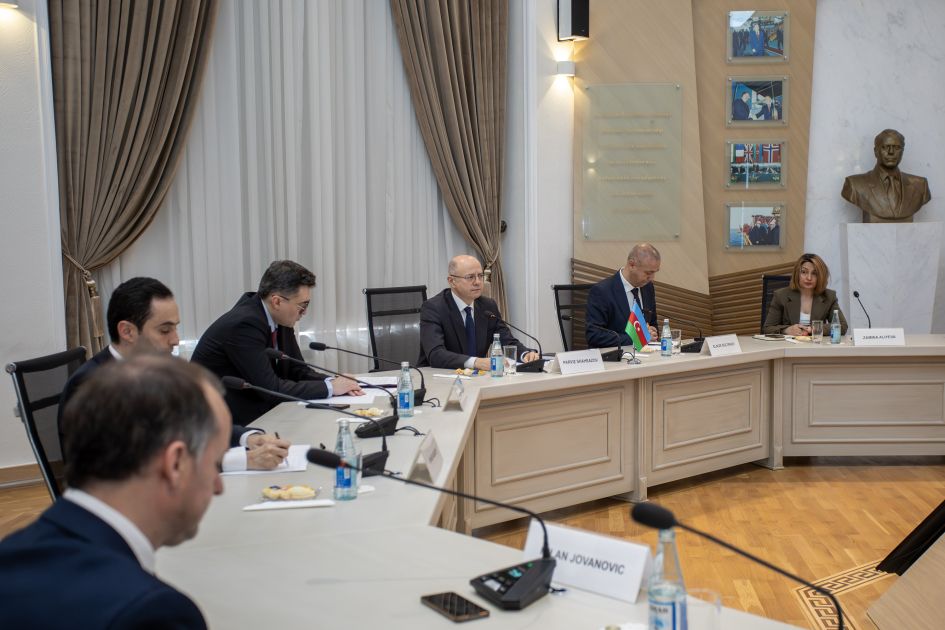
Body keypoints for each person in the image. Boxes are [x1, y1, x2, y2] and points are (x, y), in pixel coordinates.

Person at [0, 356, 230, 628]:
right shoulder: (152, 612)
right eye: (215, 464)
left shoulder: (11, 555)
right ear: (175, 464)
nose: (218, 486)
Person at [59, 277, 288, 472]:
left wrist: (248, 438)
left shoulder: (154, 371)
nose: (176, 340)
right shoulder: (91, 385)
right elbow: (135, 465)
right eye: (165, 330)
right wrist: (242, 461)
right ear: (127, 331)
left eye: (175, 328)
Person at [192, 260, 363, 425]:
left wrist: (334, 381)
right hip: (220, 422)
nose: (304, 312)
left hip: (259, 411)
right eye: (302, 305)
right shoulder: (244, 324)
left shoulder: (278, 317)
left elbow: (297, 370)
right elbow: (271, 389)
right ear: (277, 302)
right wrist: (330, 388)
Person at [418, 255, 539, 369]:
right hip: (438, 377)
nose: (477, 282)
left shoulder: (487, 306)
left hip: (477, 377)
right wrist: (476, 362)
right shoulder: (434, 308)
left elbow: (506, 340)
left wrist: (525, 354)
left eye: (480, 276)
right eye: (470, 277)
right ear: (452, 281)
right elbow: (436, 354)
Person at [841, 129, 932, 223]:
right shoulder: (854, 185)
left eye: (897, 147)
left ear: (903, 151)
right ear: (876, 151)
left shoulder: (920, 185)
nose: (891, 152)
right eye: (885, 147)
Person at [585, 243, 660, 348]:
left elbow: (652, 323)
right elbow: (594, 335)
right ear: (632, 265)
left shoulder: (648, 287)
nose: (652, 278)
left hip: (646, 354)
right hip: (616, 355)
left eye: (655, 272)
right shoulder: (602, 291)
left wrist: (653, 332)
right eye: (648, 273)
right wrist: (636, 339)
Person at [764, 253, 848, 336]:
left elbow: (842, 326)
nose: (809, 278)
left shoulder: (829, 296)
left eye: (814, 273)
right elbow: (768, 328)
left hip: (815, 344)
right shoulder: (781, 295)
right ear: (797, 274)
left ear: (821, 276)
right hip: (789, 344)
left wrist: (815, 329)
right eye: (804, 272)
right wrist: (786, 330)